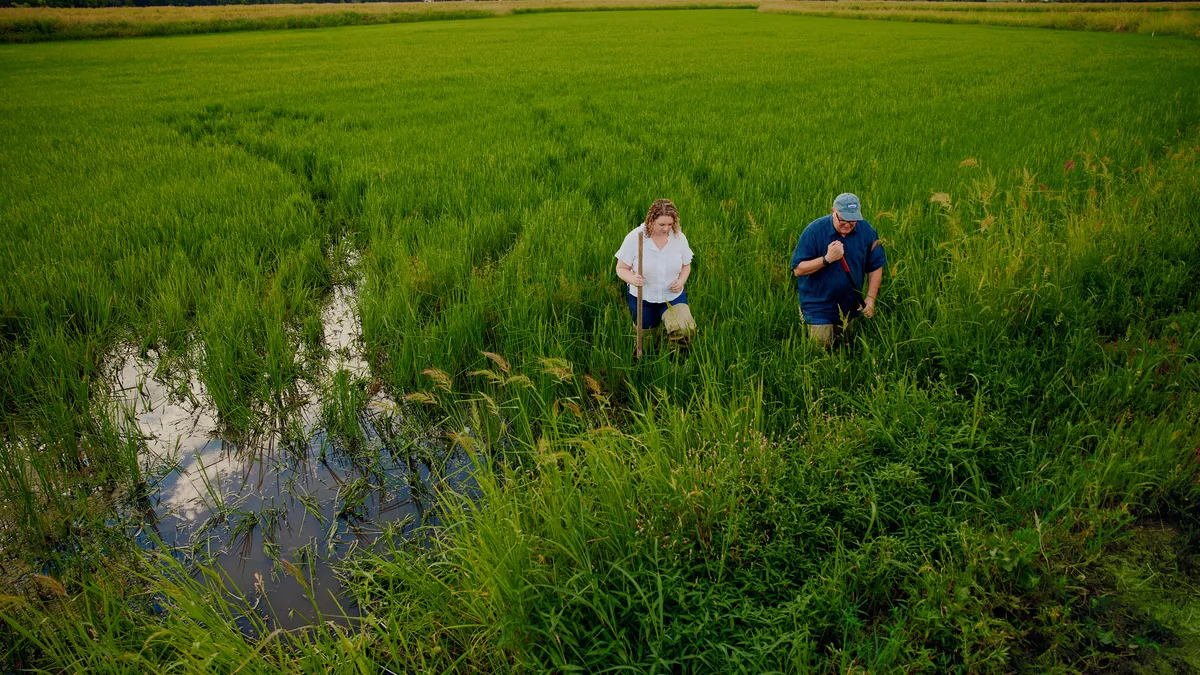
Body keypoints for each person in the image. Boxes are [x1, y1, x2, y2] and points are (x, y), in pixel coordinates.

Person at [789, 193, 887, 348]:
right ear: (833, 211)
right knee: (821, 350)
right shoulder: (814, 231)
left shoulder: (866, 230)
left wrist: (870, 299)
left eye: (852, 220)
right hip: (818, 304)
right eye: (842, 219)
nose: (847, 225)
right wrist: (827, 259)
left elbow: (875, 265)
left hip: (849, 304)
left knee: (844, 348)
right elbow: (798, 269)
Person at [615, 198, 693, 331]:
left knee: (684, 330)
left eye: (670, 224)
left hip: (672, 296)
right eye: (661, 224)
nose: (666, 228)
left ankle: (677, 351)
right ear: (651, 220)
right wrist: (632, 279)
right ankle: (655, 349)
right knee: (647, 338)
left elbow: (686, 265)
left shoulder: (679, 237)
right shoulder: (635, 237)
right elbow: (621, 268)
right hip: (643, 297)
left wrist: (681, 281)